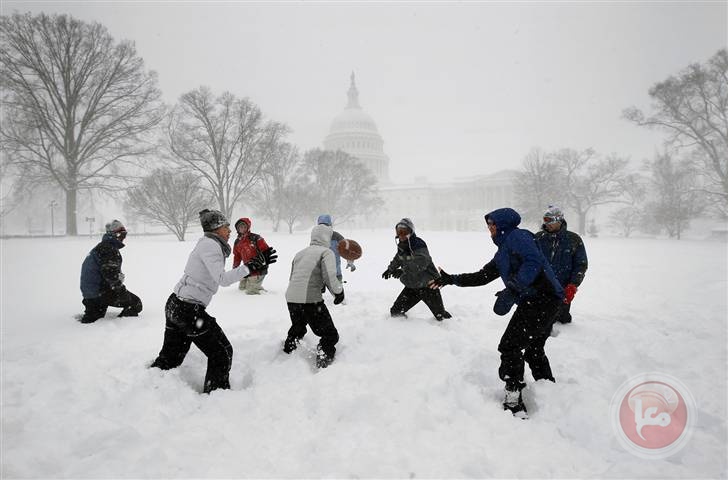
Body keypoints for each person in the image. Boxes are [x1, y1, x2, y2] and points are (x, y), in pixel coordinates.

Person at [430, 208, 563, 418]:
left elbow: (533, 262)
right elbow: (483, 276)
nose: (489, 229)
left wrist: (514, 287)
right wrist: (451, 279)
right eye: (488, 225)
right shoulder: (503, 252)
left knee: (510, 346)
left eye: (492, 225)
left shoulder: (518, 236)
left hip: (542, 299)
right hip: (543, 301)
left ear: (501, 226)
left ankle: (513, 400)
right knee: (533, 347)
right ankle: (549, 391)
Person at [150, 209, 277, 393]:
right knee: (222, 352)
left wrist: (252, 264)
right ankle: (216, 397)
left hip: (176, 306)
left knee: (170, 358)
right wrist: (250, 266)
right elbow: (222, 279)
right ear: (217, 229)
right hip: (188, 310)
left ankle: (150, 387)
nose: (230, 231)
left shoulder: (207, 243)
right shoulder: (211, 245)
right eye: (226, 227)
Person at [282, 223, 345, 368]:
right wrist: (338, 292)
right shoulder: (326, 252)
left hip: (291, 298)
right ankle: (323, 361)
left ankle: (286, 353)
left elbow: (293, 277)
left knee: (298, 327)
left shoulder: (300, 253)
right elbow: (330, 276)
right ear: (327, 237)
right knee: (330, 334)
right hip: (310, 300)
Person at [382, 218, 451, 321]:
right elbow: (398, 258)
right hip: (412, 287)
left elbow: (421, 263)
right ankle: (406, 330)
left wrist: (403, 270)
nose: (401, 235)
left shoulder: (418, 244)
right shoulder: (402, 246)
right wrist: (390, 269)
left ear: (411, 232)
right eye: (399, 232)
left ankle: (452, 328)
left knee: (440, 316)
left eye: (404, 232)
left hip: (429, 286)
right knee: (396, 312)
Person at [78, 220, 142, 323]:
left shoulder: (102, 247)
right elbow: (110, 275)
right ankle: (120, 324)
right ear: (115, 234)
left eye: (124, 235)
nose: (123, 238)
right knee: (136, 303)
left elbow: (107, 271)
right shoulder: (108, 249)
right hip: (99, 293)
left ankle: (94, 311)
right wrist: (120, 289)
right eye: (122, 235)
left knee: (95, 314)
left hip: (91, 293)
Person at [534, 205, 588, 324]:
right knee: (537, 320)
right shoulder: (538, 238)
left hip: (562, 288)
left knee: (561, 320)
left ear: (559, 220)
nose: (547, 224)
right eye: (545, 220)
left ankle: (563, 339)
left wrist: (573, 285)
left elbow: (581, 264)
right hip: (540, 287)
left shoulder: (573, 239)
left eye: (550, 220)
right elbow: (529, 261)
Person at [232, 217, 271, 295]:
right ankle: (255, 286)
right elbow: (237, 256)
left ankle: (261, 293)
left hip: (258, 268)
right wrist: (235, 267)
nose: (242, 228)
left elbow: (266, 251)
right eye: (240, 227)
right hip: (247, 268)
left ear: (248, 227)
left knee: (251, 292)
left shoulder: (255, 238)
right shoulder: (237, 242)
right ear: (237, 228)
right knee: (242, 288)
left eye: (244, 226)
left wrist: (263, 262)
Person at [317, 214, 356, 283]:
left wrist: (350, 261)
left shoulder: (336, 237)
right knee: (336, 291)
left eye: (325, 225)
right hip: (323, 273)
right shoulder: (316, 237)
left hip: (332, 272)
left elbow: (346, 249)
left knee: (336, 290)